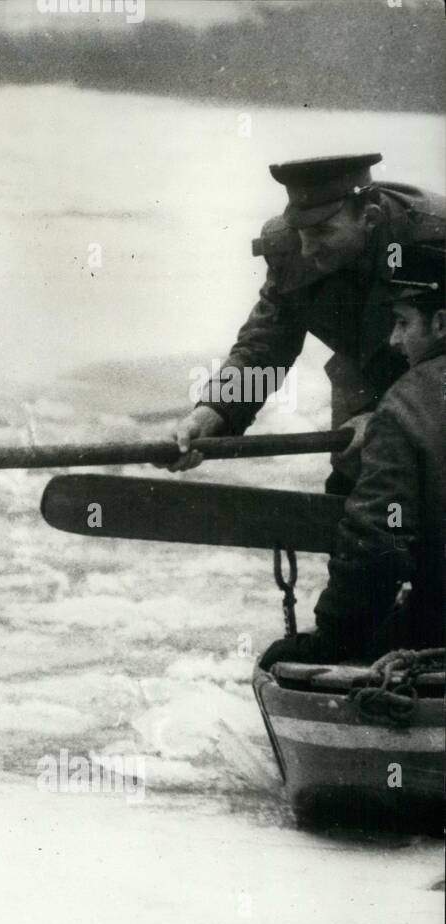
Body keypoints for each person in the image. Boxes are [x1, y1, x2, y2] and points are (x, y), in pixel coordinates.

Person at [164, 153, 446, 494]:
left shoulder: (433, 238)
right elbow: (265, 346)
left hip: (437, 382)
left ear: (370, 218)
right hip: (362, 375)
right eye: (300, 232)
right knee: (356, 495)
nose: (307, 249)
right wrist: (214, 411)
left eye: (322, 231)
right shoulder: (291, 248)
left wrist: (389, 416)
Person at [260, 241, 444, 669]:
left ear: (439, 324)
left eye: (401, 322)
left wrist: (335, 637)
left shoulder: (405, 408)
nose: (395, 341)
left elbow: (379, 538)